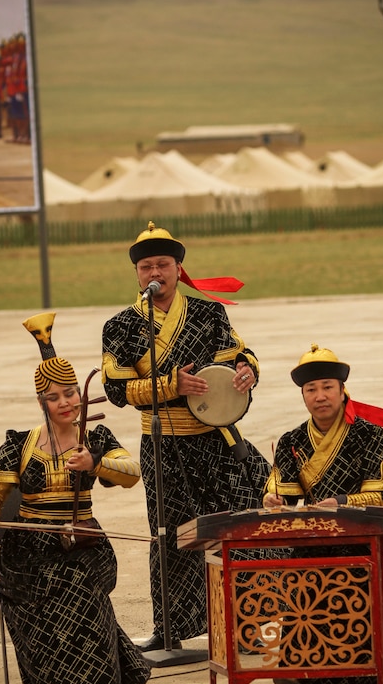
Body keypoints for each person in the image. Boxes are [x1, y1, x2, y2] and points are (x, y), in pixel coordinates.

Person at [102, 222, 271, 652]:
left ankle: (250, 623)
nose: (154, 271)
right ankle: (172, 628)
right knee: (171, 535)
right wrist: (169, 386)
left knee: (236, 529)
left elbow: (241, 354)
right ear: (137, 274)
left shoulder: (209, 313)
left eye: (162, 263)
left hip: (216, 440)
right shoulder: (120, 327)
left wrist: (248, 373)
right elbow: (117, 391)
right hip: (163, 444)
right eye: (145, 266)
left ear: (178, 269)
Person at [0, 312, 151, 684]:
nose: (65, 402)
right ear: (42, 402)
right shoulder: (19, 444)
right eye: (53, 397)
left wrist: (96, 464)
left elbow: (132, 473)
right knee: (53, 585)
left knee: (77, 585)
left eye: (70, 393)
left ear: (81, 394)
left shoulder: (96, 435)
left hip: (82, 543)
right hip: (29, 552)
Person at [263, 343, 383, 684]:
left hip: (364, 538)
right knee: (289, 565)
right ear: (303, 396)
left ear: (342, 390)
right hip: (315, 538)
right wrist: (274, 500)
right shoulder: (292, 441)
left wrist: (342, 502)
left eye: (327, 387)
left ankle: (358, 669)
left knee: (349, 569)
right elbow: (285, 493)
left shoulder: (371, 435)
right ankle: (300, 661)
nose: (320, 396)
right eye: (311, 389)